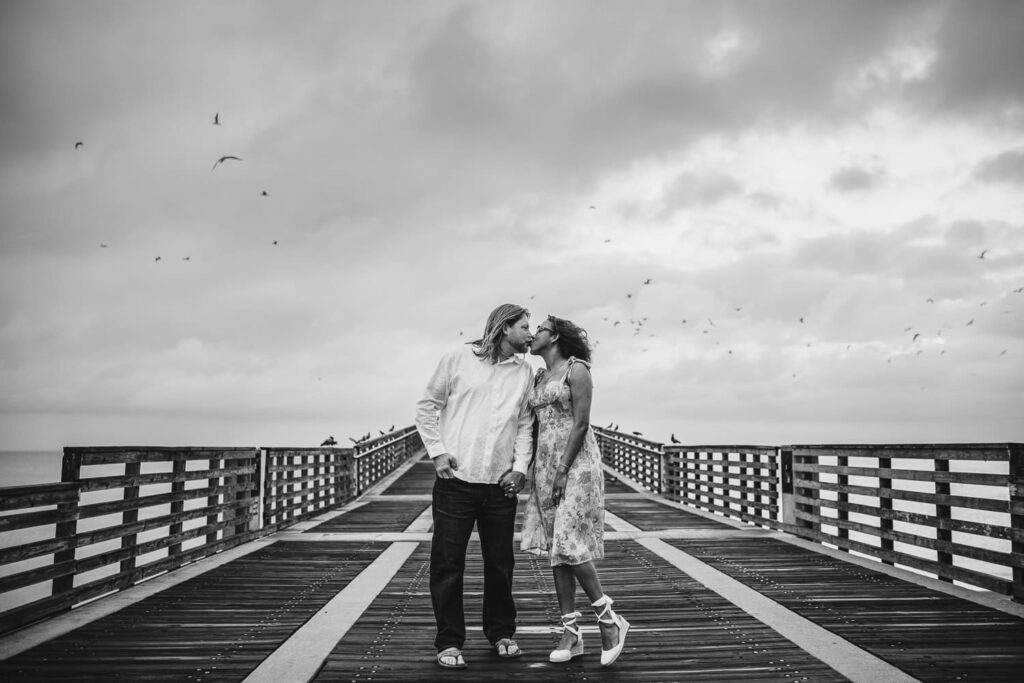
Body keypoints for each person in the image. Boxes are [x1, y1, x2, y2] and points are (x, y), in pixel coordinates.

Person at [414, 303, 536, 669]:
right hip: (457, 482)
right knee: (447, 563)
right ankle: (449, 642)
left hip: (501, 485)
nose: (531, 334)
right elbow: (425, 407)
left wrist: (519, 468)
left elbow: (526, 424)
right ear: (504, 328)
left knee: (500, 563)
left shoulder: (525, 371)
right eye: (525, 327)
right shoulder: (457, 358)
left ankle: (501, 634)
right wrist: (437, 453)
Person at [520, 315, 630, 667]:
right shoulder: (538, 376)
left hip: (576, 464)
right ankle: (571, 632)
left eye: (538, 330)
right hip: (544, 465)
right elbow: (531, 426)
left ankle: (609, 620)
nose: (532, 334)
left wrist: (563, 471)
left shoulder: (576, 370)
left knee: (569, 542)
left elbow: (581, 423)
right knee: (557, 550)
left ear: (554, 338)